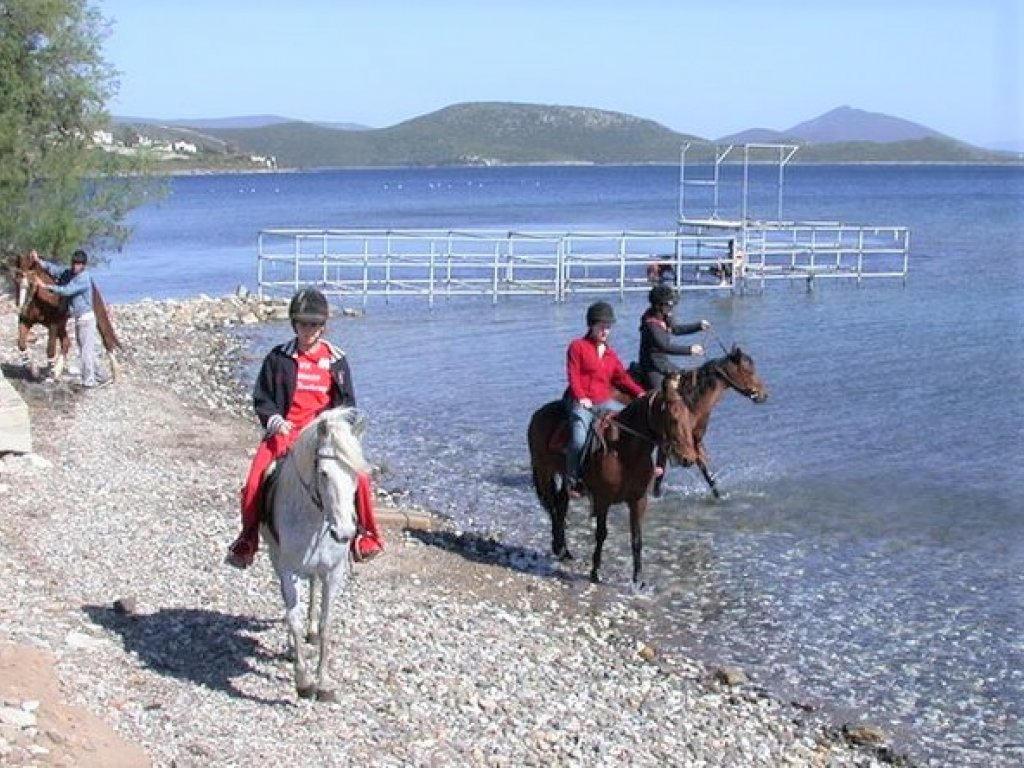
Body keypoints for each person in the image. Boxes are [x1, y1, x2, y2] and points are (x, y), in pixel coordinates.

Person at [225, 288, 383, 569]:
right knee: (253, 482)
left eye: (313, 324)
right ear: (294, 324)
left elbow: (347, 404)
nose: (308, 330)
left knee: (360, 477)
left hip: (323, 435)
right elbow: (262, 398)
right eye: (302, 324)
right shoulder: (278, 358)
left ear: (322, 326)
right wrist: (275, 421)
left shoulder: (336, 360)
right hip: (286, 432)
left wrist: (336, 428)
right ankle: (248, 539)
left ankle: (366, 536)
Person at [564, 301, 646, 498]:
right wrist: (581, 397)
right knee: (578, 439)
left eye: (608, 327)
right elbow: (573, 375)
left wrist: (640, 394)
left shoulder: (610, 353)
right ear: (591, 325)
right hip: (580, 401)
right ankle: (572, 479)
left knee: (632, 426)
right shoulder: (577, 347)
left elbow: (622, 378)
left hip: (603, 401)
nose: (605, 330)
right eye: (601, 326)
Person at [30, 249, 107, 389]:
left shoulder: (83, 278)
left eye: (78, 264)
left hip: (86, 319)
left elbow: (66, 290)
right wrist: (38, 261)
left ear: (84, 265)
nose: (75, 266)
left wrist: (45, 286)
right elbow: (54, 270)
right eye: (74, 263)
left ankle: (89, 382)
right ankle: (102, 376)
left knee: (85, 352)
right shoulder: (70, 273)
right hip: (79, 319)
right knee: (86, 349)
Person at [637, 285, 709, 391]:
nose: (672, 307)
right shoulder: (651, 325)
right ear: (658, 305)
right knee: (660, 396)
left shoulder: (664, 315)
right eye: (670, 304)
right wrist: (690, 350)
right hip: (652, 366)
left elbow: (675, 329)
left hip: (663, 362)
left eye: (673, 304)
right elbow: (665, 347)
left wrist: (698, 326)